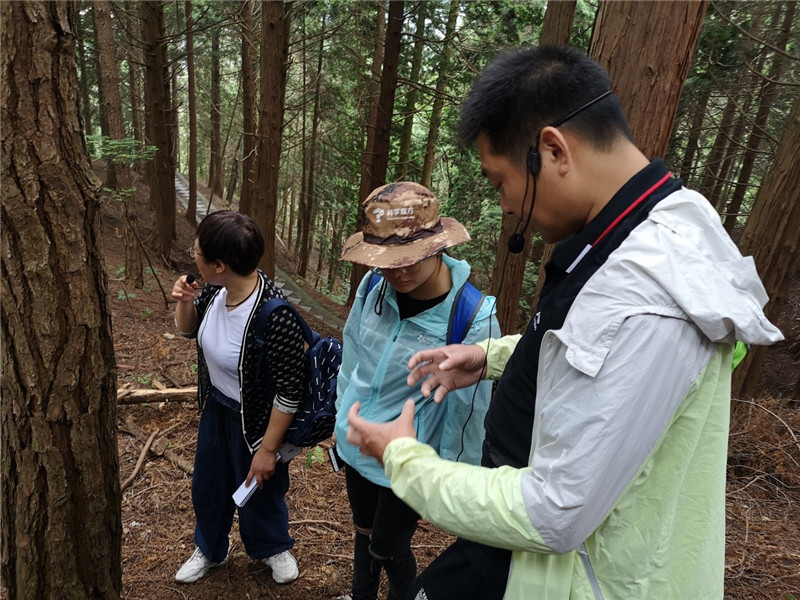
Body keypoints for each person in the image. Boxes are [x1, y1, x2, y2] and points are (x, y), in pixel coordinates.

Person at [345, 46, 783, 600]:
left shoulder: (648, 299)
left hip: (569, 572)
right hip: (511, 549)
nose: (505, 205)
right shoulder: (626, 232)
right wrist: (492, 357)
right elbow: (590, 349)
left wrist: (405, 460)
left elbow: (554, 513)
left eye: (500, 181)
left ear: (552, 150)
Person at [334, 181, 499, 600]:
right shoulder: (373, 288)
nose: (398, 271)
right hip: (357, 441)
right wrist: (339, 419)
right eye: (387, 261)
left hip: (408, 457)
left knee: (388, 549)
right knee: (363, 533)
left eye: (412, 258)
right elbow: (352, 355)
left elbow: (471, 413)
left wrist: (452, 478)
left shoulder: (472, 317)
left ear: (438, 245)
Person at [171, 210, 303, 586]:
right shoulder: (216, 290)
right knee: (208, 486)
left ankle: (273, 546)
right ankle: (210, 549)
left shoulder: (274, 314)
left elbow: (289, 392)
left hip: (258, 419)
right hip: (217, 408)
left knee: (261, 488)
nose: (192, 255)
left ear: (220, 265)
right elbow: (188, 330)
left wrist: (267, 449)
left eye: (196, 251)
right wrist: (185, 300)